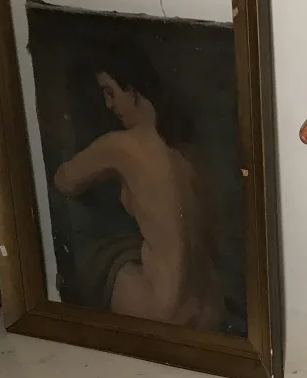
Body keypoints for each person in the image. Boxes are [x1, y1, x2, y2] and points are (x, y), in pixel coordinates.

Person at [53, 42, 223, 331]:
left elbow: (64, 180)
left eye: (110, 93)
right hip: (209, 307)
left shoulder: (123, 145)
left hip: (162, 309)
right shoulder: (187, 153)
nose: (108, 105)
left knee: (92, 259)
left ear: (132, 89)